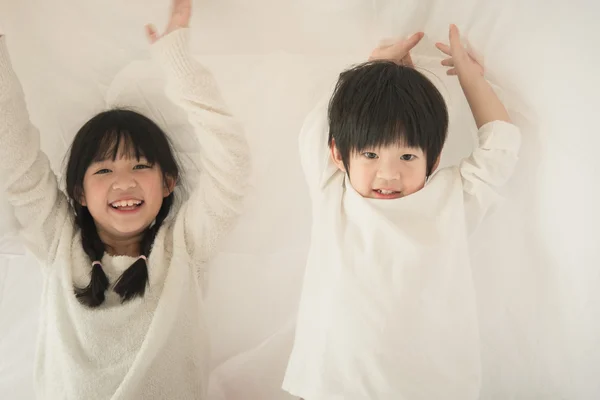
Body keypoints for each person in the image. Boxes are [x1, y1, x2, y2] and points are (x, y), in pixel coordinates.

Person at [0, 0, 250, 398]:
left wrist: (178, 63)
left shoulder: (184, 247)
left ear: (168, 182)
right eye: (103, 170)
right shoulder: (59, 243)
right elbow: (15, 154)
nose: (123, 183)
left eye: (140, 167)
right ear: (79, 193)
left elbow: (231, 163)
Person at [283, 26, 521, 399]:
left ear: (434, 158)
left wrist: (471, 79)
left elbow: (501, 146)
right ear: (338, 155)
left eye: (407, 156)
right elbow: (313, 130)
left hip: (430, 388)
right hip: (335, 383)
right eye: (371, 155)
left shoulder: (452, 199)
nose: (389, 174)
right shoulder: (334, 193)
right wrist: (374, 69)